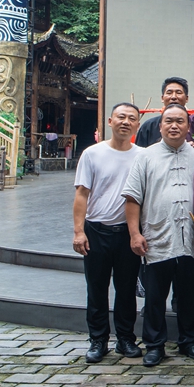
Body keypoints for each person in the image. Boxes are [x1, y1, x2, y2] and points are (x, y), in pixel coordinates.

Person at [122, 104, 194, 367]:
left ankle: (189, 341)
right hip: (157, 237)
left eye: (180, 121)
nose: (174, 126)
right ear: (160, 126)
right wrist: (134, 234)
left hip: (191, 238)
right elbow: (132, 198)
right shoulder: (145, 156)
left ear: (188, 127)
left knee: (189, 296)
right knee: (155, 297)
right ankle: (155, 345)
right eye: (168, 121)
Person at [72, 103, 144, 363]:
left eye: (131, 118)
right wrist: (79, 231)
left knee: (126, 289)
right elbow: (82, 194)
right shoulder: (92, 154)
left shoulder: (143, 156)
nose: (126, 122)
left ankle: (125, 339)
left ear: (137, 125)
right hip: (96, 230)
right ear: (110, 121)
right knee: (96, 288)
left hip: (128, 232)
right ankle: (98, 340)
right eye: (121, 117)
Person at [135, 77, 190, 147]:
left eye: (178, 92)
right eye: (169, 93)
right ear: (162, 98)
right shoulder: (149, 126)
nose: (173, 97)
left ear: (187, 98)